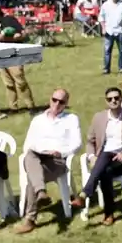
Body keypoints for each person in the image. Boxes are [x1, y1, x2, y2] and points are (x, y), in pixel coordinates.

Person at [72, 86, 122, 226]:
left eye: (116, 98)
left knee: (105, 160)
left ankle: (85, 194)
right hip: (103, 160)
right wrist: (91, 156)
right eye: (110, 99)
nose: (113, 101)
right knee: (106, 169)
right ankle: (108, 213)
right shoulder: (99, 117)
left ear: (121, 99)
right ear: (106, 101)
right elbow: (90, 141)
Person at [15, 88, 83, 234]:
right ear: (50, 99)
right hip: (37, 157)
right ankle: (40, 192)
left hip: (57, 160)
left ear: (66, 104)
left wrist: (61, 152)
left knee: (32, 177)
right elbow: (27, 145)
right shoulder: (38, 120)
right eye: (54, 100)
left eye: (61, 102)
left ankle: (30, 219)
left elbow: (77, 144)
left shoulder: (71, 119)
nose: (57, 104)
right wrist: (41, 150)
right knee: (30, 154)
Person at [0, 4, 36, 111]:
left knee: (20, 82)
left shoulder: (9, 19)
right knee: (8, 84)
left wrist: (4, 38)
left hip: (13, 56)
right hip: (1, 56)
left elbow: (21, 34)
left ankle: (30, 106)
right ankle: (13, 108)